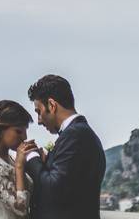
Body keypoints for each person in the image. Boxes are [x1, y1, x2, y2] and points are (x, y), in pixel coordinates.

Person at [19, 75, 106, 219]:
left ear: (52, 105)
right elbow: (68, 187)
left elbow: (52, 188)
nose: (39, 121)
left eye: (39, 112)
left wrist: (32, 156)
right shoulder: (80, 133)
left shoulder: (75, 135)